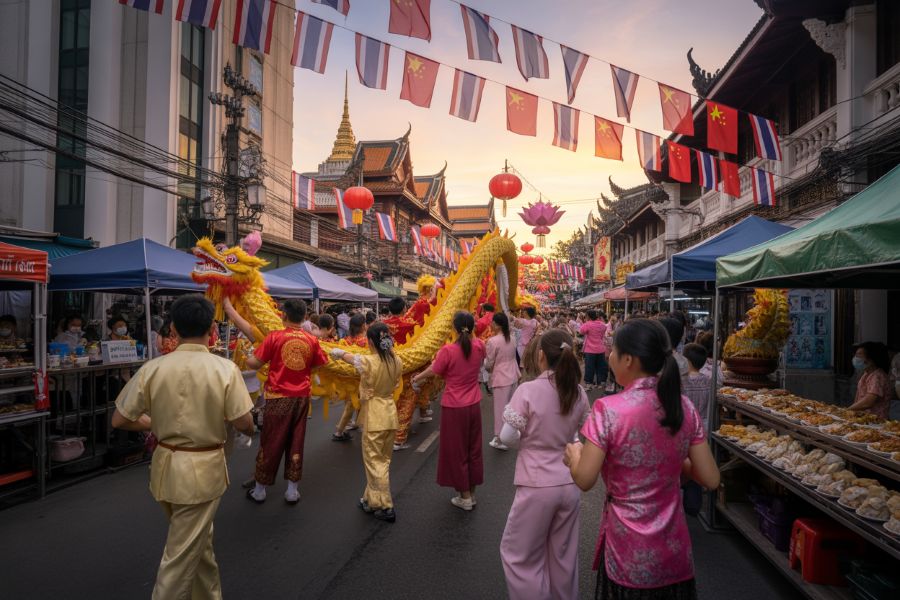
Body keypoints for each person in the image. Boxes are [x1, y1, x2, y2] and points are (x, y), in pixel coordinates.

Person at [111, 294, 254, 600]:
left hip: (165, 466)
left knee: (196, 543)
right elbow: (244, 422)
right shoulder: (224, 369)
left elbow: (120, 419)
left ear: (172, 327)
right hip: (201, 472)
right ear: (212, 329)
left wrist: (157, 422)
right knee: (180, 554)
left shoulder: (154, 367)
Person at [564, 319, 720, 599]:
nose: (608, 356)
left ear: (628, 360)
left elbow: (584, 479)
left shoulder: (608, 409)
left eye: (613, 351)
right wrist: (671, 461)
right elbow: (710, 478)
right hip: (673, 550)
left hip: (627, 550)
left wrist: (575, 454)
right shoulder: (682, 405)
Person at [499, 329, 589, 600]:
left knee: (519, 555)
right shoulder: (579, 392)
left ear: (540, 356)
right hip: (569, 482)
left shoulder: (528, 390)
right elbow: (582, 433)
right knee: (563, 556)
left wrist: (531, 442)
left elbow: (507, 436)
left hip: (536, 484)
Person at [245, 299, 328, 504]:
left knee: (271, 441)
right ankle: (292, 491)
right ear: (304, 318)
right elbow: (318, 365)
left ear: (283, 316)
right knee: (296, 440)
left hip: (278, 397)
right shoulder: (311, 340)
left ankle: (260, 490)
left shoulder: (275, 337)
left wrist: (248, 354)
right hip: (301, 398)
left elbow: (254, 364)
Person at [412, 311, 485, 511]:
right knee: (473, 449)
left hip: (454, 406)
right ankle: (472, 492)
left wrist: (417, 378)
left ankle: (465, 497)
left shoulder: (448, 351)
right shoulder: (479, 346)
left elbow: (435, 370)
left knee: (457, 451)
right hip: (474, 405)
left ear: (454, 328)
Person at [330, 323, 403, 523]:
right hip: (390, 414)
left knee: (374, 462)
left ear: (370, 342)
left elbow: (353, 359)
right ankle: (370, 500)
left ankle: (386, 505)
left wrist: (337, 352)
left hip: (375, 417)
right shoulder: (396, 360)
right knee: (382, 461)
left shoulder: (370, 361)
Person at [485, 313, 520, 451]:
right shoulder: (511, 338)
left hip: (501, 377)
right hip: (513, 374)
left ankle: (500, 438)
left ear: (498, 325)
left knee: (500, 409)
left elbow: (489, 363)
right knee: (510, 408)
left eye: (493, 322)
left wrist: (486, 367)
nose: (491, 324)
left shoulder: (493, 341)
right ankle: (510, 434)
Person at [332, 314, 368, 442]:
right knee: (353, 404)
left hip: (346, 378)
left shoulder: (345, 340)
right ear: (364, 326)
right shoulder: (365, 342)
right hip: (360, 378)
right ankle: (339, 432)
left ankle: (356, 425)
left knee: (352, 403)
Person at [849, 341, 892, 418]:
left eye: (859, 355)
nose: (855, 358)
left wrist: (847, 410)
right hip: (864, 418)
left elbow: (868, 401)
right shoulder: (866, 374)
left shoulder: (878, 376)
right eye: (855, 355)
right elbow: (859, 398)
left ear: (871, 359)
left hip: (876, 421)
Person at [681, 343, 711, 430]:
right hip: (703, 425)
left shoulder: (682, 380)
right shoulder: (707, 380)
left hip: (685, 425)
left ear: (687, 361)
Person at [580, 310, 609, 392]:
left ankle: (589, 384)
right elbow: (604, 330)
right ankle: (601, 382)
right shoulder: (602, 325)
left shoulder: (587, 324)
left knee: (589, 367)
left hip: (590, 349)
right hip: (600, 348)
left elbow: (581, 331)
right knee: (600, 366)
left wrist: (586, 322)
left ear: (588, 316)